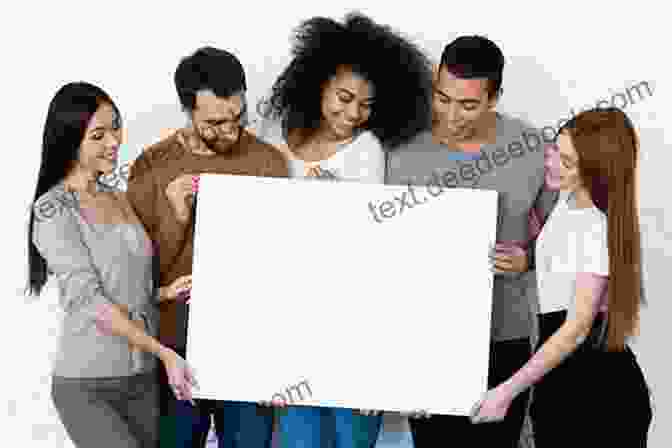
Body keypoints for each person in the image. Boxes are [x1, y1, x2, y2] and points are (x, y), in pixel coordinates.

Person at [253, 11, 433, 448]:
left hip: (350, 316)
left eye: (366, 105)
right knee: (298, 439)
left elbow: (372, 246)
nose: (353, 114)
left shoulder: (366, 150)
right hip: (288, 315)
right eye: (345, 97)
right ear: (318, 83)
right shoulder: (274, 133)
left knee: (351, 438)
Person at [384, 35, 559, 447]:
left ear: (495, 96)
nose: (451, 114)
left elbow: (562, 239)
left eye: (468, 105)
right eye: (442, 99)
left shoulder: (533, 149)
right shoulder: (401, 145)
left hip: (506, 339)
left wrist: (528, 259)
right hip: (426, 336)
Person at [126, 47, 289, 448]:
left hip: (247, 345)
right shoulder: (152, 165)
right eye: (215, 123)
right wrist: (176, 216)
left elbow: (285, 261)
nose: (231, 132)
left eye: (238, 117)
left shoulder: (268, 162)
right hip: (174, 346)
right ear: (187, 111)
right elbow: (136, 277)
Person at [26, 82, 197, 448]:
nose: (114, 141)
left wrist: (163, 292)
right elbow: (91, 301)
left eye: (116, 127)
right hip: (89, 385)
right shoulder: (53, 209)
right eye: (98, 135)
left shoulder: (118, 198)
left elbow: (128, 281)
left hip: (143, 380)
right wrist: (164, 352)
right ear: (71, 140)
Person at [470, 107, 653, 446]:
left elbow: (574, 330)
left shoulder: (596, 227)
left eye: (567, 162)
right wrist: (527, 260)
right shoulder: (568, 202)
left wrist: (506, 392)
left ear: (597, 170)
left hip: (596, 396)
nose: (552, 164)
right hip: (563, 379)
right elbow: (566, 261)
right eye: (555, 149)